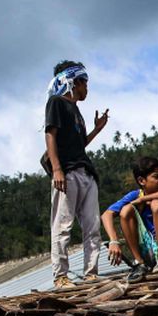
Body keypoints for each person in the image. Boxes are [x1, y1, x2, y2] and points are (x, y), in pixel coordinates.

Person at [43, 60, 109, 288]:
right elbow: (50, 135)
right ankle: (61, 276)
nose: (86, 88)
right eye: (84, 83)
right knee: (62, 225)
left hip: (86, 172)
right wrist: (57, 169)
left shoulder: (76, 111)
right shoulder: (56, 102)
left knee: (92, 226)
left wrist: (97, 129)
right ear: (73, 81)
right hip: (67, 172)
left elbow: (79, 145)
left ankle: (91, 273)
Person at [102, 156, 158, 284]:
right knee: (126, 210)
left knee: (156, 204)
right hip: (150, 252)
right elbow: (106, 215)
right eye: (156, 177)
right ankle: (139, 263)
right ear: (141, 180)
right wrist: (113, 241)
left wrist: (141, 200)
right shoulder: (135, 195)